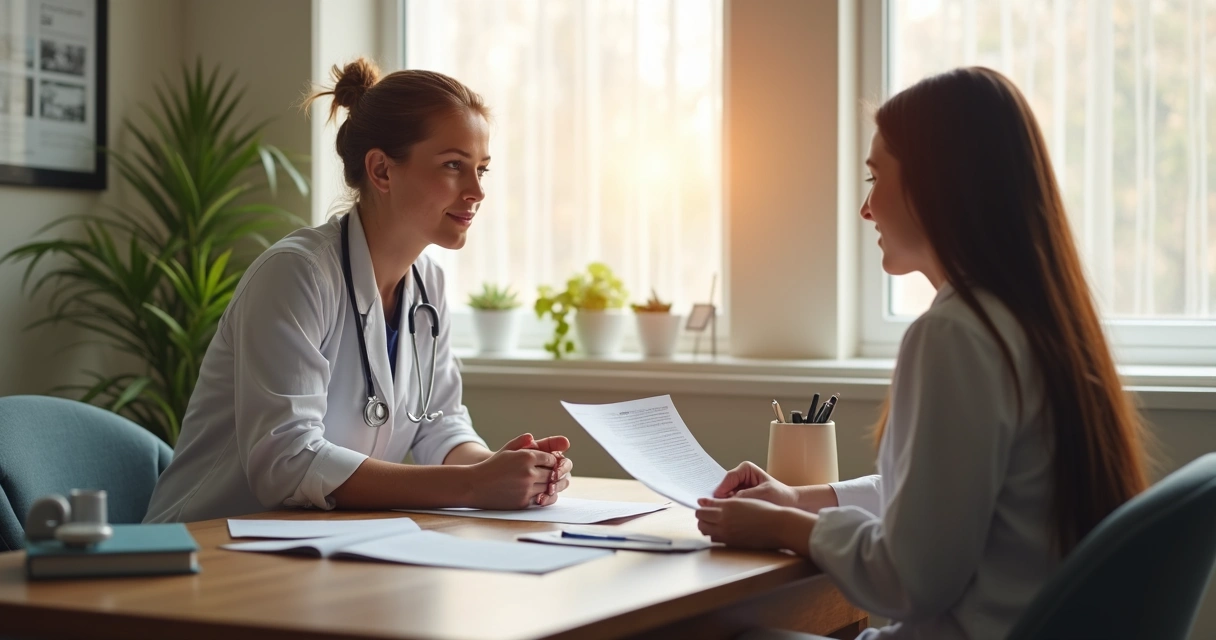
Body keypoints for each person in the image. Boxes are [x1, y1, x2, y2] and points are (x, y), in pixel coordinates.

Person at [694, 67, 1149, 640]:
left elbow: (909, 579)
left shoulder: (955, 334)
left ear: (937, 185)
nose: (866, 208)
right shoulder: (1041, 321)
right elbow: (939, 500)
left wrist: (786, 527)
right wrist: (803, 498)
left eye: (875, 176)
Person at [145, 59, 573, 523]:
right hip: (206, 551)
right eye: (453, 165)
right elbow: (287, 464)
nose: (476, 191)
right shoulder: (296, 274)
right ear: (382, 171)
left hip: (320, 549)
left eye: (482, 170)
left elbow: (439, 428)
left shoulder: (429, 284)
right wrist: (473, 485)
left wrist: (504, 470)